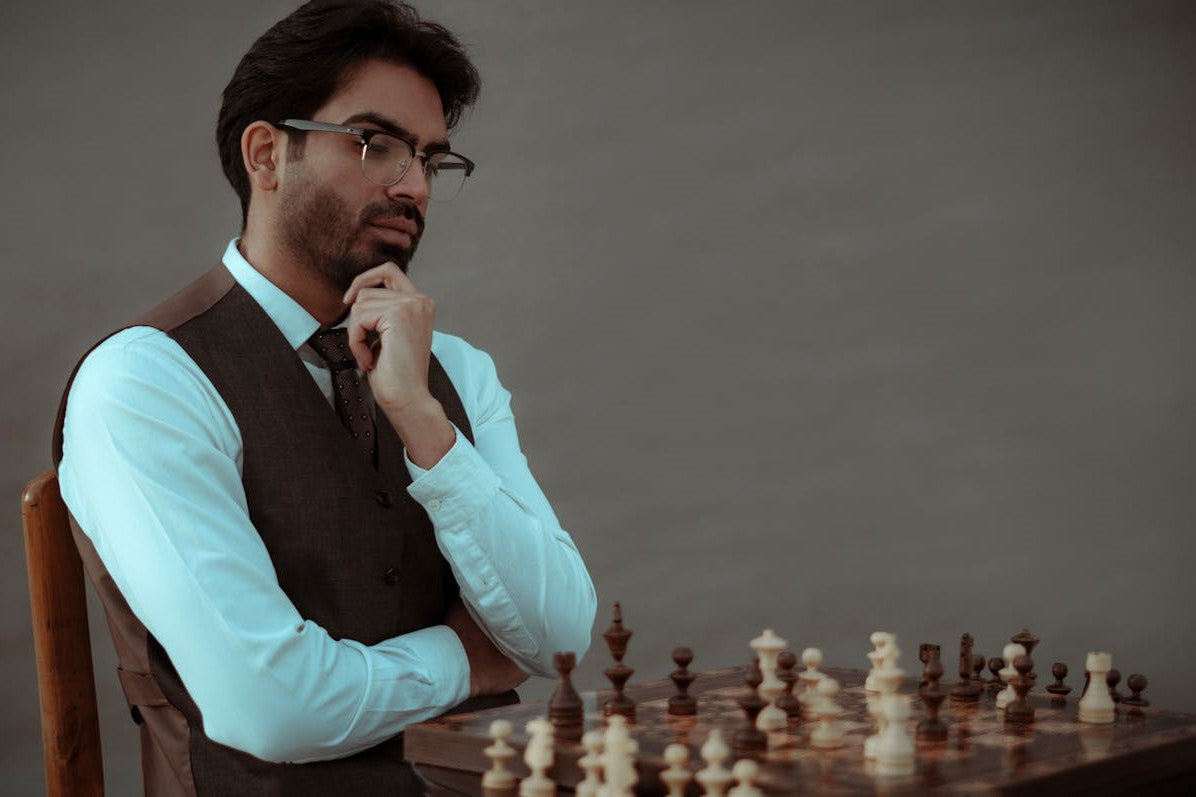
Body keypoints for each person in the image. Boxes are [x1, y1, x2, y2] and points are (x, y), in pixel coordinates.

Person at [52, 1, 597, 793]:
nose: (414, 186)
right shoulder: (145, 383)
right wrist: (465, 656)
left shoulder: (457, 373)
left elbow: (562, 641)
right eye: (377, 145)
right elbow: (271, 708)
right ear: (268, 154)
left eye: (431, 158)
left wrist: (422, 422)